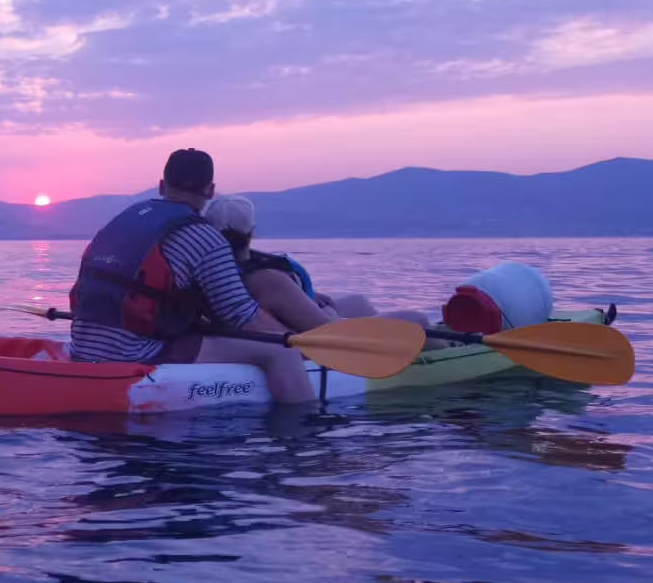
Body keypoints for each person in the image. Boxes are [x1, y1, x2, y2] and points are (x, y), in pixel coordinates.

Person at [69, 149, 315, 404]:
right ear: (210, 190)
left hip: (82, 346)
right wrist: (299, 344)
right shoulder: (205, 238)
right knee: (281, 351)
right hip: (135, 353)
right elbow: (242, 317)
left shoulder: (125, 219)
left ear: (162, 185)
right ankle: (304, 424)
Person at [201, 194, 437, 339]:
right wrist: (328, 312)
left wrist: (307, 296)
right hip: (321, 335)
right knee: (418, 320)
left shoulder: (218, 269)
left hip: (291, 319)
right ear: (252, 231)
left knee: (359, 302)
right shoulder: (267, 279)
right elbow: (330, 331)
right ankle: (445, 354)